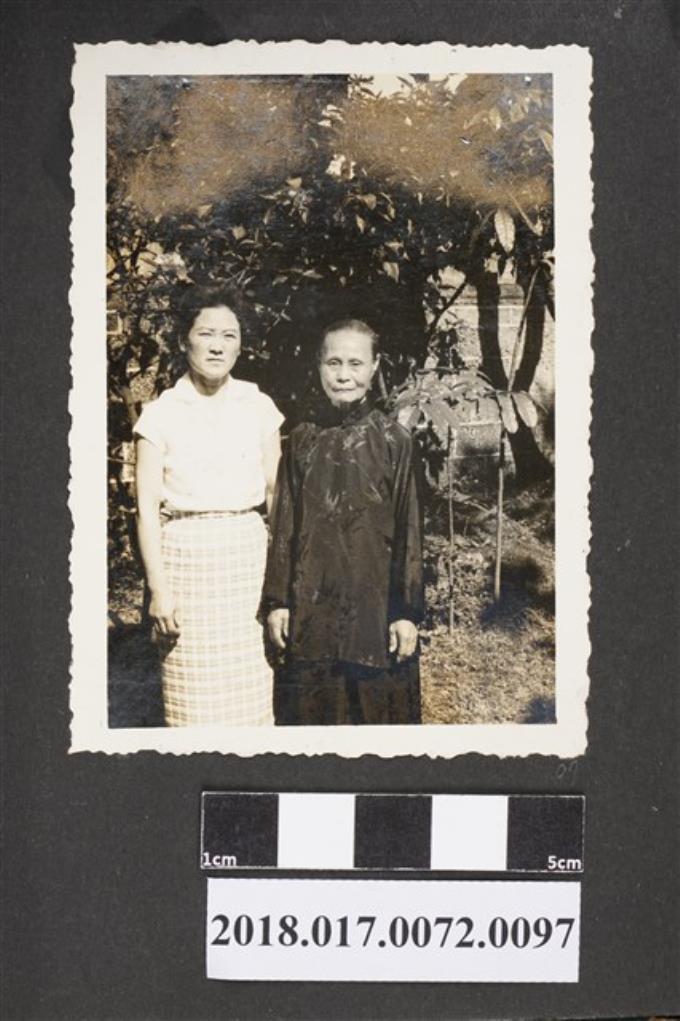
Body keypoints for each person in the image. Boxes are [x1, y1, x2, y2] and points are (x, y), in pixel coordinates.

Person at [133, 285, 283, 726]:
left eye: (229, 335)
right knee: (192, 707)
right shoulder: (160, 413)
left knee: (252, 705)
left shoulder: (259, 406)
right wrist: (159, 590)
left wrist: (281, 586)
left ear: (240, 345)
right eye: (206, 333)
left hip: (248, 564)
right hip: (185, 565)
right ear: (185, 340)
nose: (217, 345)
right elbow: (146, 509)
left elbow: (276, 496)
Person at [263, 318, 424, 726]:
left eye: (355, 363)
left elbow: (408, 530)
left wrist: (405, 612)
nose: (343, 375)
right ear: (319, 366)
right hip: (311, 616)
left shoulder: (395, 442)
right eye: (333, 363)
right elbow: (284, 527)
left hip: (375, 614)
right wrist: (278, 603)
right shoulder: (301, 440)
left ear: (375, 366)